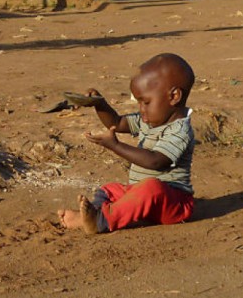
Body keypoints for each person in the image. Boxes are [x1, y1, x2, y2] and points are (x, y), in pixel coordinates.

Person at [58, 53, 196, 235]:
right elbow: (116, 121)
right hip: (141, 194)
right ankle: (94, 215)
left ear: (174, 96)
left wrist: (115, 145)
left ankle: (100, 221)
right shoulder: (148, 120)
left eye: (146, 102)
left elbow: (156, 161)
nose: (141, 109)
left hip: (173, 203)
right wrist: (100, 104)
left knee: (151, 187)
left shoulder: (180, 130)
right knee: (110, 189)